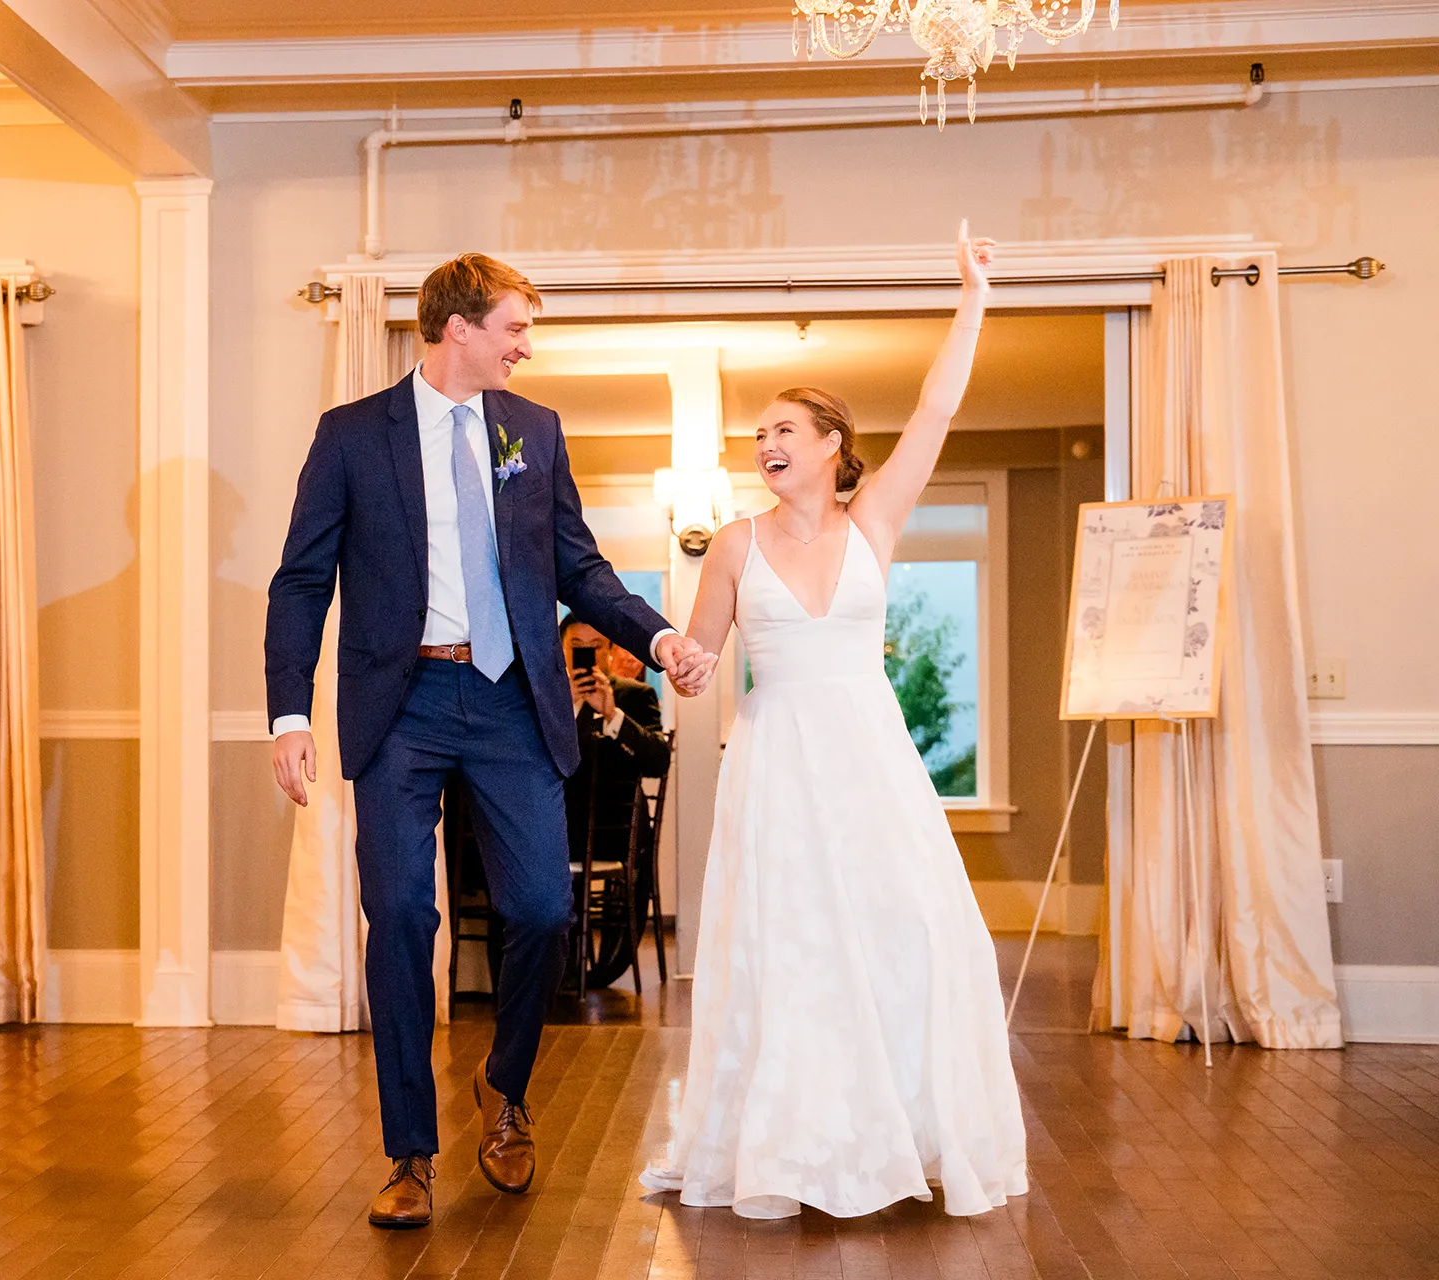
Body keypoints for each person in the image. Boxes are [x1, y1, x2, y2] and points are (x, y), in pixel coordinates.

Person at [266, 252, 717, 1229]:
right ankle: (409, 1152)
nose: (525, 344)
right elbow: (301, 581)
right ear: (457, 327)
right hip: (402, 701)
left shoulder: (533, 432)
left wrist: (661, 633)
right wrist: (289, 714)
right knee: (399, 915)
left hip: (513, 698)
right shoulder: (351, 437)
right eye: (513, 326)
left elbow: (580, 568)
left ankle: (504, 1088)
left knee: (543, 910)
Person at [640, 223, 1026, 1220]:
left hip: (870, 758)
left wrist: (972, 298)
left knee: (905, 932)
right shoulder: (732, 542)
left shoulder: (875, 523)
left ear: (831, 449)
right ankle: (796, 1141)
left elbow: (939, 406)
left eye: (783, 431)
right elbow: (699, 663)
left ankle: (896, 1125)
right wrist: (681, 664)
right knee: (790, 944)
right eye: (757, 433)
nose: (764, 444)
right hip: (774, 761)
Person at [562, 615, 673, 988]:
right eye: (577, 649)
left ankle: (606, 967)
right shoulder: (547, 701)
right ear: (560, 653)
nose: (587, 656)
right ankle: (552, 969)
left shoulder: (636, 696)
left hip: (617, 834)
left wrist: (613, 716)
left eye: (596, 648)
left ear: (609, 653)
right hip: (557, 831)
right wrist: (571, 709)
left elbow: (658, 761)